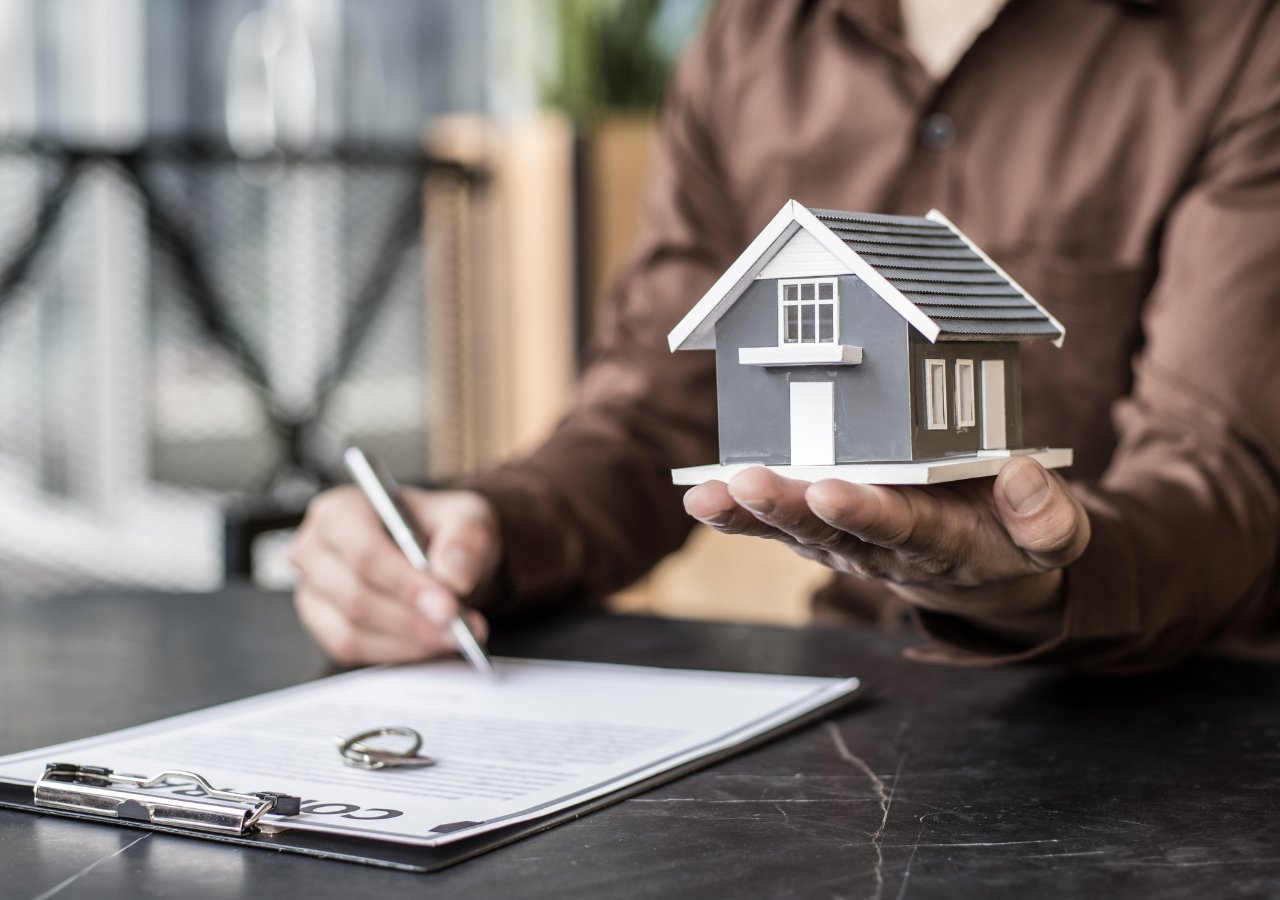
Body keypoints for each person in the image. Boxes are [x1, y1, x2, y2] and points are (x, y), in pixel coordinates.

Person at [289, 0, 1280, 674]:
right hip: (857, 718)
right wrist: (483, 527)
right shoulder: (747, 35)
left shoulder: (1243, 37)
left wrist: (1022, 583)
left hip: (1183, 725)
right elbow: (653, 406)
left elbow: (1219, 475)